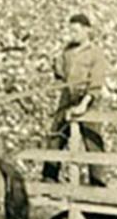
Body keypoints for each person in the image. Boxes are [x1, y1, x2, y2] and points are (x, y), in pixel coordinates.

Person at [42, 13, 109, 187]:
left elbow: (96, 83)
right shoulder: (68, 51)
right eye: (71, 31)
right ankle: (49, 177)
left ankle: (98, 183)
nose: (73, 34)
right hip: (68, 96)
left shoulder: (95, 53)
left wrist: (83, 105)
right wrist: (50, 65)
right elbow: (61, 73)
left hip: (87, 97)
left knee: (92, 140)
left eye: (77, 31)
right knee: (56, 135)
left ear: (87, 30)